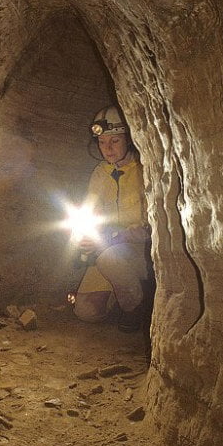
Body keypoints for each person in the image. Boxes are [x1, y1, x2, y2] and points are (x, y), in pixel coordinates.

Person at [73, 105, 153, 332]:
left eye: (114, 141)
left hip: (142, 253)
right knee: (86, 311)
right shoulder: (100, 173)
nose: (107, 149)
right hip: (109, 250)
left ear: (129, 138)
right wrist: (83, 237)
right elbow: (89, 210)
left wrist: (116, 236)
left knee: (109, 258)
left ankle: (135, 308)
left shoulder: (145, 169)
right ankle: (124, 296)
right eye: (101, 142)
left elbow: (152, 227)